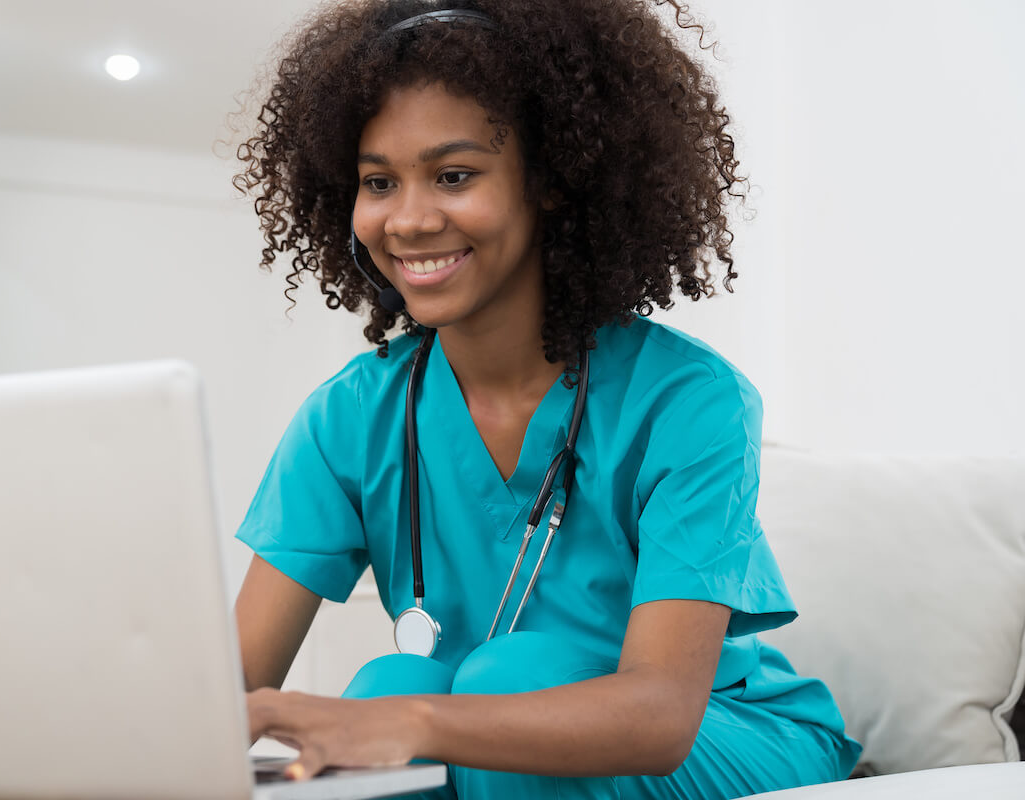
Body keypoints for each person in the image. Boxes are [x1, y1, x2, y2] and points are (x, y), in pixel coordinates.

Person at [231, 1, 863, 797]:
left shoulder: (689, 399)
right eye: (378, 182)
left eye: (454, 175)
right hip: (496, 726)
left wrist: (416, 725)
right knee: (388, 683)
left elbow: (662, 717)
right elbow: (222, 701)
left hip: (723, 729)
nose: (411, 219)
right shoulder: (348, 418)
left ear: (554, 184)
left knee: (501, 676)